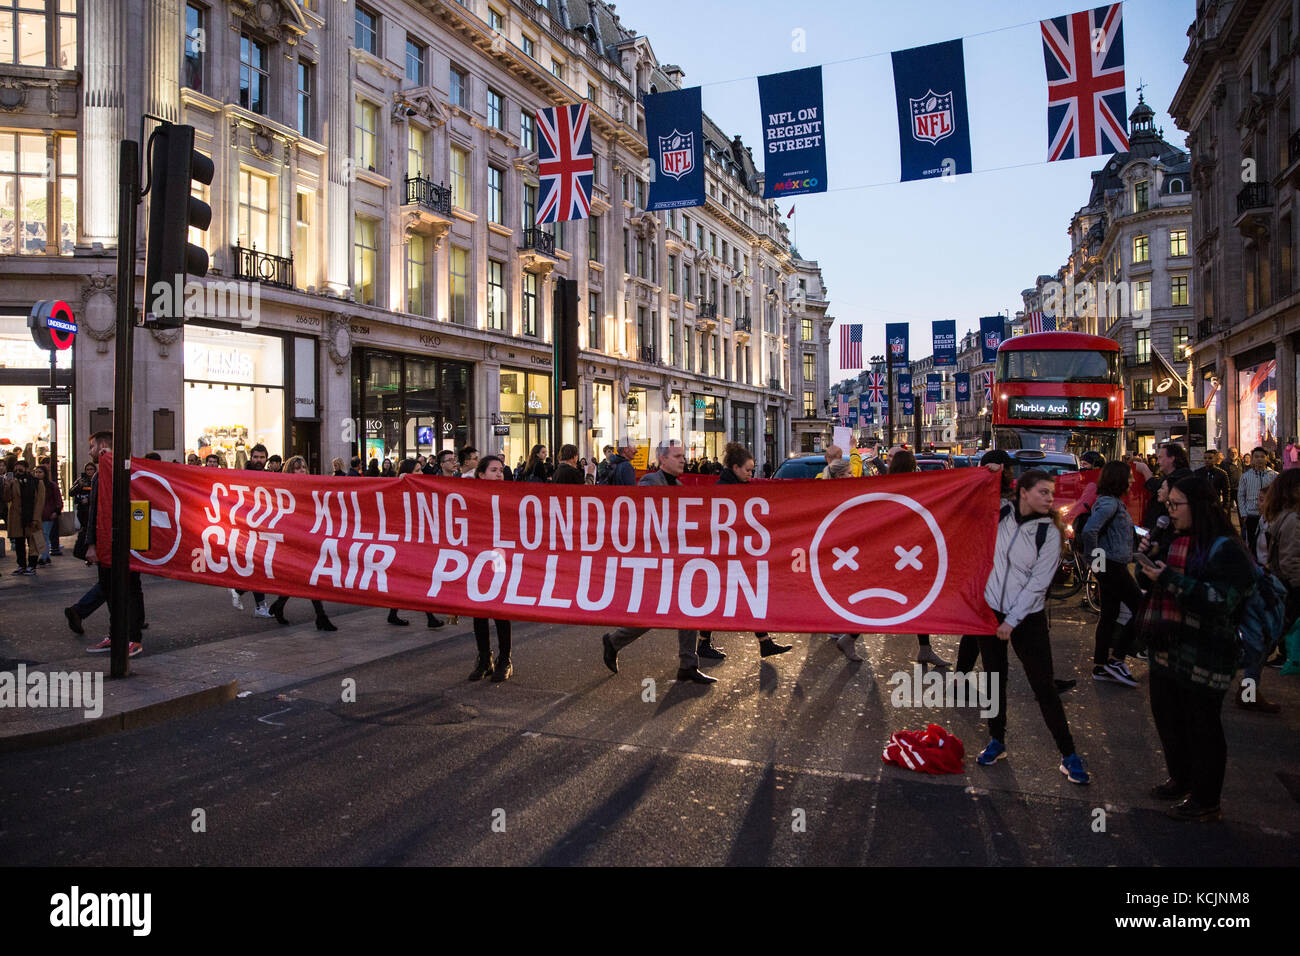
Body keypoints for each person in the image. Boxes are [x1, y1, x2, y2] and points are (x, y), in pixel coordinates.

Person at [1138, 477, 1255, 821]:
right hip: (1167, 648)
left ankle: (1206, 800)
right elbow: (1147, 584)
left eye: (1176, 505)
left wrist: (1169, 579)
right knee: (1168, 718)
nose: (1169, 512)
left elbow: (1220, 601)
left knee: (1201, 726)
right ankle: (1181, 779)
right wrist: (1149, 565)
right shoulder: (1174, 539)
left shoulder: (1227, 549)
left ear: (1199, 506)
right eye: (1167, 504)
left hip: (1206, 654)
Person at [974, 469, 1091, 785]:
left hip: (1026, 618)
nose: (1050, 498)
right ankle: (996, 741)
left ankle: (1068, 755)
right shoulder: (999, 513)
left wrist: (1011, 622)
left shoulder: (1049, 533)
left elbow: (1039, 584)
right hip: (991, 613)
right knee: (994, 680)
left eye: (1051, 493)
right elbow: (966, 515)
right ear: (1022, 492)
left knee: (1044, 687)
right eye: (1043, 491)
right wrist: (985, 476)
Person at [600, 440, 714, 684]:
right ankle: (614, 641)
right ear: (663, 460)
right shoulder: (652, 482)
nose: (683, 460)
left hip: (677, 560)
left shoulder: (680, 485)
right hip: (657, 562)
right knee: (655, 612)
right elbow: (644, 518)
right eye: (677, 456)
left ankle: (688, 664)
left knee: (687, 608)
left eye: (683, 455)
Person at [696, 443, 793, 662]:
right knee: (728, 596)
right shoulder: (725, 489)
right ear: (735, 467)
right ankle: (706, 642)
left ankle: (762, 641)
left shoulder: (739, 487)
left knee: (742, 596)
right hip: (725, 554)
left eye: (752, 470)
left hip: (736, 552)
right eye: (747, 470)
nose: (750, 474)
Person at [80, 431, 145, 657]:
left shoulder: (128, 471)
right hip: (108, 541)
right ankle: (117, 634)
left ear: (103, 446)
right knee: (110, 589)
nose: (89, 452)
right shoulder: (101, 475)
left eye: (92, 446)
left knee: (130, 588)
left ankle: (133, 637)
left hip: (125, 541)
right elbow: (95, 513)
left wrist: (91, 544)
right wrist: (93, 543)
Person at [1080, 461, 1141, 688]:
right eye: (1130, 477)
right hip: (1112, 565)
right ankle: (1116, 659)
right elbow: (1090, 531)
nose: (1133, 481)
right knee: (1141, 607)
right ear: (1119, 479)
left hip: (1112, 564)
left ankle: (1100, 664)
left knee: (1109, 613)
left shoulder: (1112, 502)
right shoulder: (1109, 504)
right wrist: (1095, 561)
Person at [888, 449, 951, 668]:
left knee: (906, 599)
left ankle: (925, 648)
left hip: (896, 551)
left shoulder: (887, 485)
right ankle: (925, 649)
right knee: (918, 599)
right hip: (910, 550)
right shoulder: (915, 485)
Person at [266, 456, 337, 631]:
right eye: (297, 468)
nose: (302, 471)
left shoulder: (311, 487)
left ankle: (281, 605)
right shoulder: (284, 489)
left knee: (307, 576)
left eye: (303, 467)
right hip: (291, 538)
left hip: (308, 536)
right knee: (304, 576)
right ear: (290, 471)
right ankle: (320, 616)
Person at [466, 455, 515, 682]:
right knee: (478, 609)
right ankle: (485, 658)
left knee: (499, 609)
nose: (499, 474)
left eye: (501, 470)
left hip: (500, 556)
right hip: (476, 554)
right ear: (481, 474)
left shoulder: (509, 495)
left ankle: (505, 659)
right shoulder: (469, 493)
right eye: (494, 470)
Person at [1262, 468, 1300, 669]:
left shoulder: (1284, 515)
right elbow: (1290, 559)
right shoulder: (1293, 519)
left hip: (1283, 582)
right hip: (1290, 584)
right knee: (1280, 629)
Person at [3, 458, 45, 574]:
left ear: (27, 469)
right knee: (19, 543)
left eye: (20, 470)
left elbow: (40, 502)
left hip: (32, 517)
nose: (17, 473)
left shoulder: (37, 483)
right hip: (17, 518)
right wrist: (7, 486)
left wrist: (36, 518)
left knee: (33, 543)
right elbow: (7, 499)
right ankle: (21, 565)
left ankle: (32, 566)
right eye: (16, 470)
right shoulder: (13, 482)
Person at [1238, 447, 1277, 558]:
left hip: (1268, 516)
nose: (1259, 459)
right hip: (1251, 515)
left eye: (1262, 457)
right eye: (1256, 457)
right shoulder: (1245, 476)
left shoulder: (1274, 475)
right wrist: (1243, 514)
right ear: (1252, 459)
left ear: (1267, 458)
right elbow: (1241, 496)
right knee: (1251, 542)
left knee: (1268, 542)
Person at [33, 462, 62, 565]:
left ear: (45, 473)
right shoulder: (33, 485)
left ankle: (43, 556)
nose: (37, 474)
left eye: (40, 472)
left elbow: (58, 499)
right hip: (37, 515)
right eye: (36, 472)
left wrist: (56, 511)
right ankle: (46, 556)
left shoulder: (51, 485)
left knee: (45, 534)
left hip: (48, 514)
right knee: (40, 535)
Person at [1195, 450, 1231, 514]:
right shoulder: (1198, 472)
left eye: (1210, 458)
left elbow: (1226, 492)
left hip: (1215, 504)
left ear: (1215, 459)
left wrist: (1225, 507)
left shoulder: (1221, 473)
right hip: (1201, 505)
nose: (1207, 460)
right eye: (1205, 458)